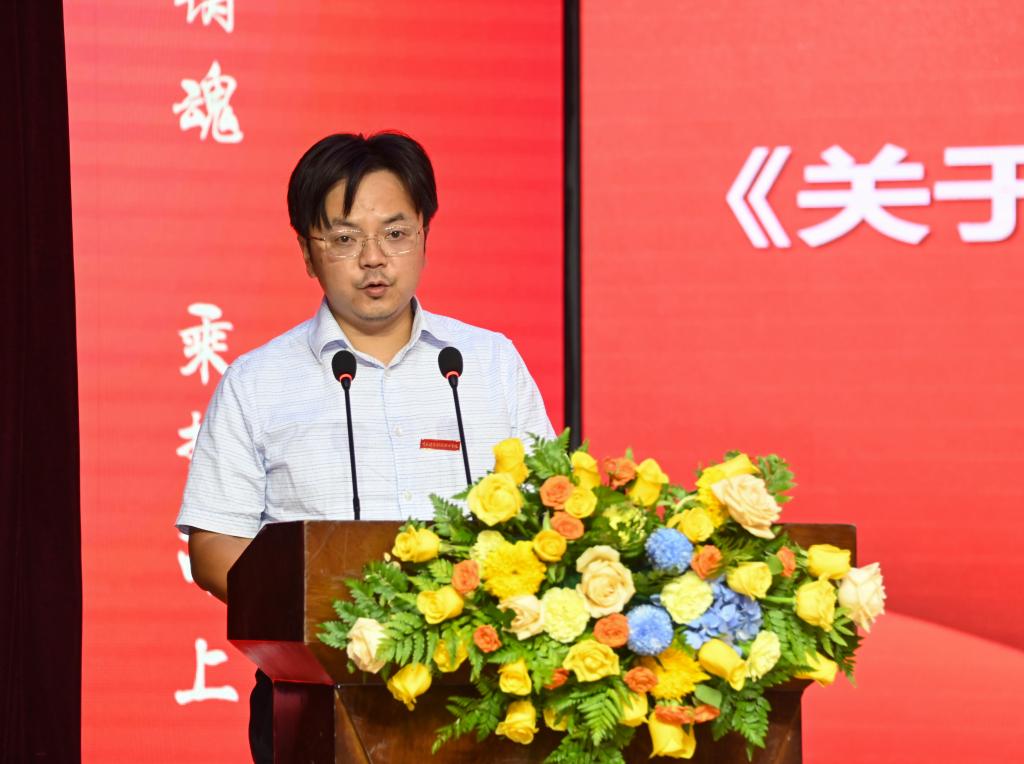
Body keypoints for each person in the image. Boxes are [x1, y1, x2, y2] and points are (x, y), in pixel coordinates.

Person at [175, 131, 554, 762]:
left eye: (395, 233)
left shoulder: (488, 364)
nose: (373, 259)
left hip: (485, 690)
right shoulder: (256, 381)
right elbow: (214, 548)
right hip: (313, 693)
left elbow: (549, 513)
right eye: (345, 239)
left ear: (425, 235)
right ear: (307, 251)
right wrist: (328, 616)